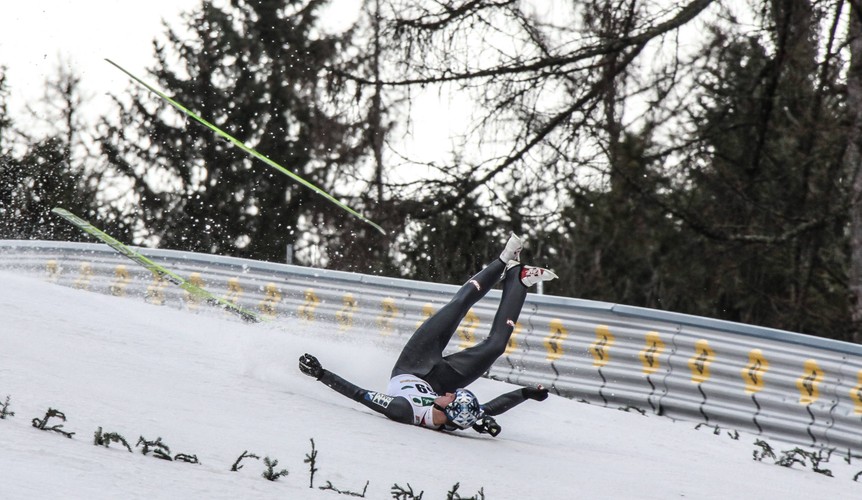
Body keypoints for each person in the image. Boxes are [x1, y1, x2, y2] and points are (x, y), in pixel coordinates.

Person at [298, 234, 556, 436]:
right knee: (496, 347)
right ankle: (517, 277)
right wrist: (525, 394)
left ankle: (502, 261)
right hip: (439, 380)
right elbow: (490, 408)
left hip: (412, 365)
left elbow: (360, 394)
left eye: (452, 397)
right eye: (455, 394)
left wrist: (321, 374)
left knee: (456, 308)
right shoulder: (456, 418)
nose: (452, 394)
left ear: (445, 409)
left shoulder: (403, 410)